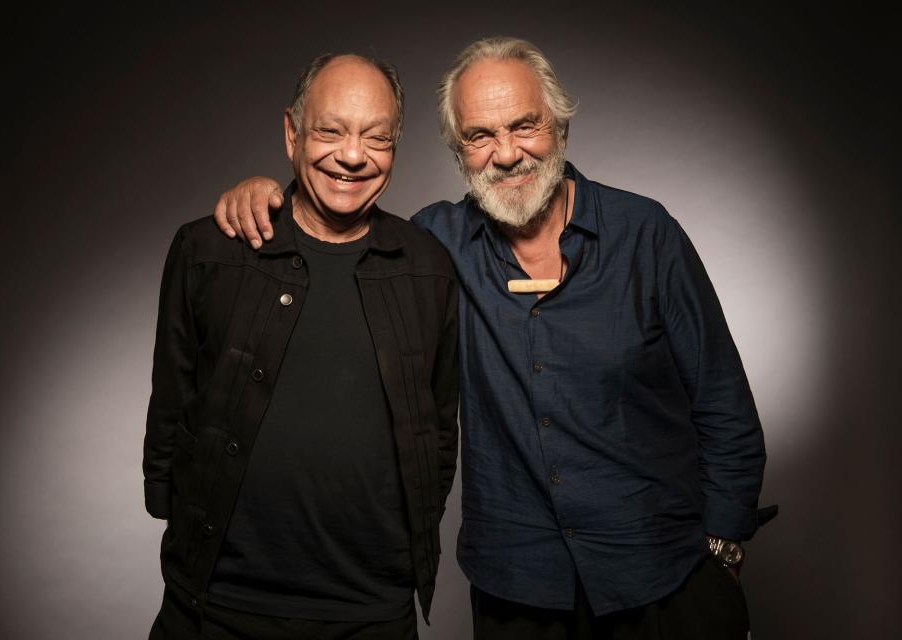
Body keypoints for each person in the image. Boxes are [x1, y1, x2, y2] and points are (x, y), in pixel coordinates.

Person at [214, 37, 777, 639]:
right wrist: (270, 192)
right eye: (480, 136)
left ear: (558, 126)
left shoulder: (646, 236)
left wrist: (724, 553)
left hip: (665, 577)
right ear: (459, 150)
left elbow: (725, 407)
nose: (506, 153)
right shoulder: (434, 246)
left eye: (524, 126)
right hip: (519, 589)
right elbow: (335, 222)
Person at [143, 53, 459, 639]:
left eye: (376, 136)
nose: (353, 154)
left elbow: (438, 435)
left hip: (370, 614)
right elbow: (173, 401)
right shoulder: (210, 250)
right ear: (291, 132)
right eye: (330, 130)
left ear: (396, 145)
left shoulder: (429, 268)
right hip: (215, 607)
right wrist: (171, 509)